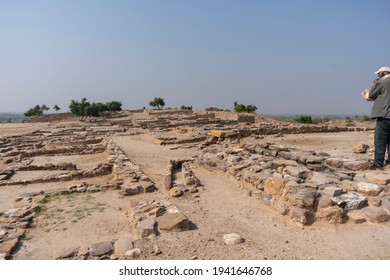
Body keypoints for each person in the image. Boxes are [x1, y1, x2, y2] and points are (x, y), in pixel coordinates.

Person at [362, 66, 390, 168]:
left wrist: (376, 83)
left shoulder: (382, 82)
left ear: (383, 74)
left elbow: (370, 95)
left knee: (380, 141)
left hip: (384, 116)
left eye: (379, 74)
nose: (378, 75)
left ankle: (378, 163)